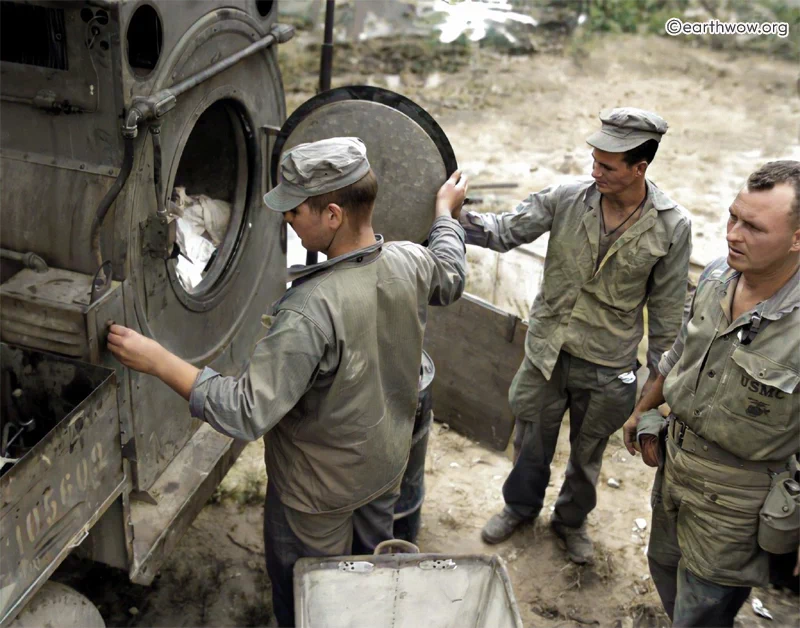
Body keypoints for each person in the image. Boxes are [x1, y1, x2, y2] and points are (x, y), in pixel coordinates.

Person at [107, 137, 469, 627]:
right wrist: (445, 215)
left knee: (309, 600)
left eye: (295, 211)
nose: (287, 220)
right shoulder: (409, 260)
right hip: (384, 472)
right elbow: (450, 272)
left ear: (334, 215)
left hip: (314, 500)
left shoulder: (309, 310)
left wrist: (156, 360)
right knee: (368, 586)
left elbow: (244, 411)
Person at [464, 108, 692, 564]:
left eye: (607, 166)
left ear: (640, 167)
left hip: (608, 366)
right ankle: (520, 507)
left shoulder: (672, 226)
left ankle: (570, 522)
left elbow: (667, 315)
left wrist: (656, 388)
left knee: (587, 458)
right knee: (530, 442)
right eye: (594, 160)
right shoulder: (568, 199)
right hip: (547, 352)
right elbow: (506, 230)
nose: (595, 172)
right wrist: (452, 219)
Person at [623, 160, 800, 627]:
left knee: (702, 607)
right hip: (674, 463)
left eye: (754, 227)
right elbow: (682, 350)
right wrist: (642, 409)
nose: (733, 234)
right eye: (733, 217)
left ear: (798, 238)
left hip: (738, 500)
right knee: (663, 565)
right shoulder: (719, 275)